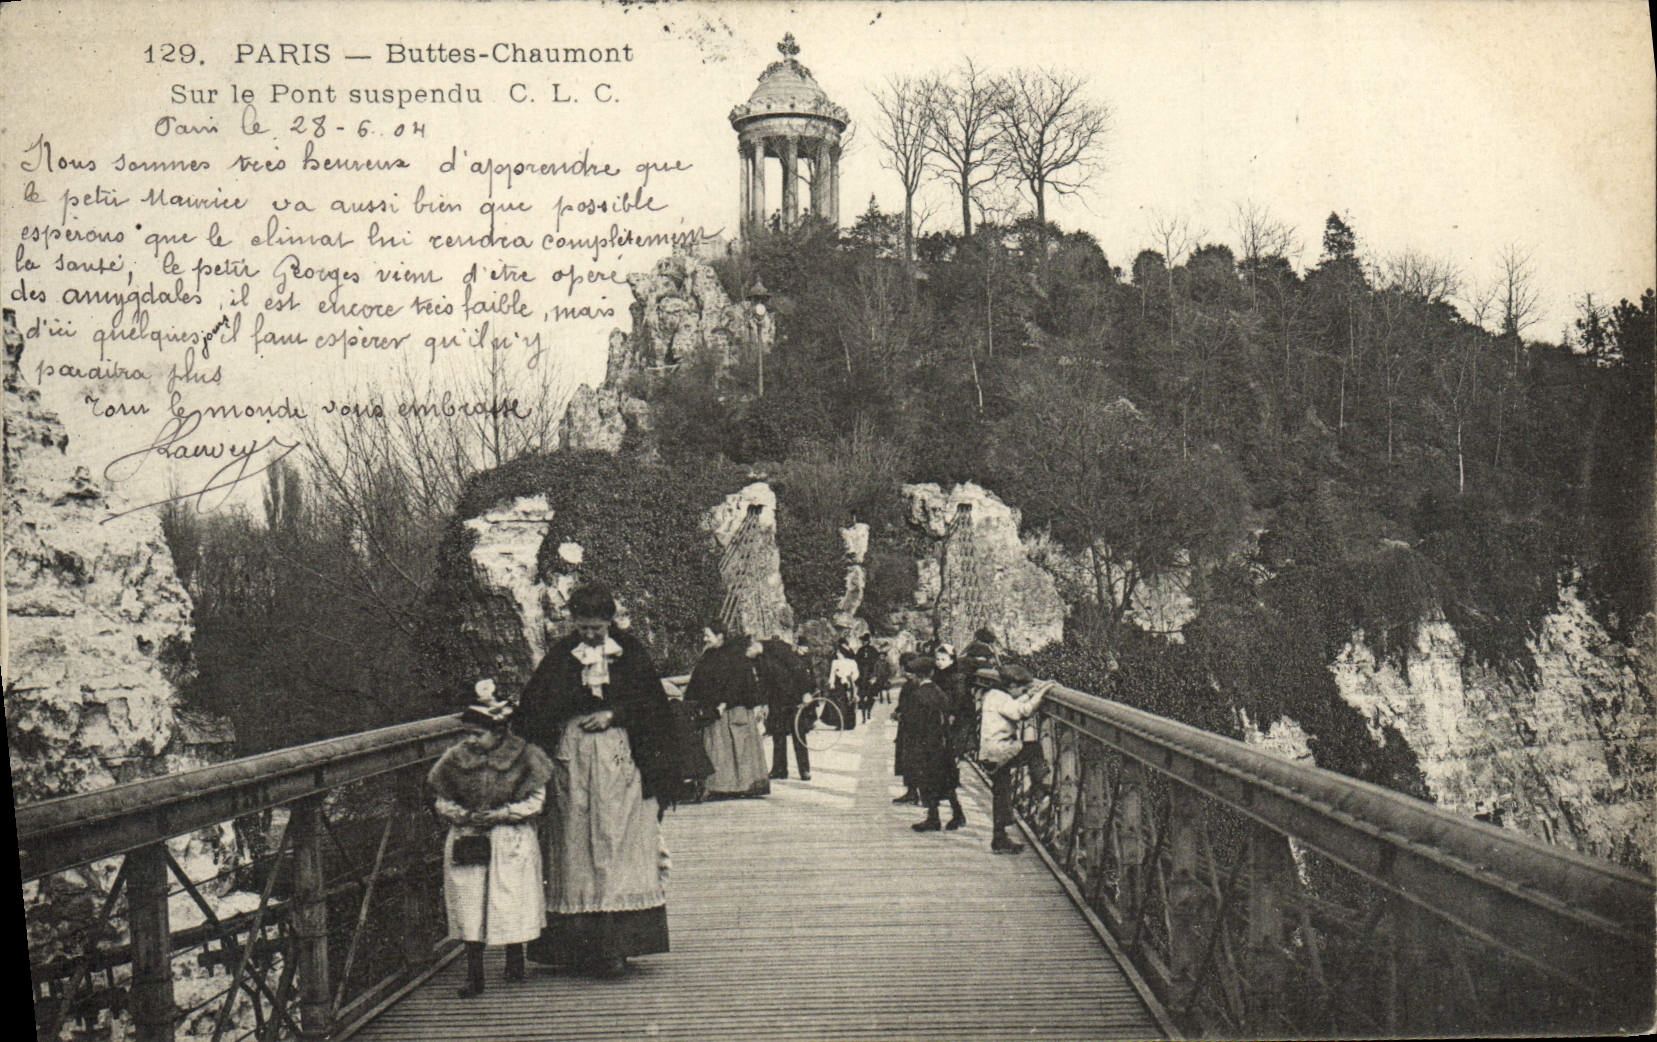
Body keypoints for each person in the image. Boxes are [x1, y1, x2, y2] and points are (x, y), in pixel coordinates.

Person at [513, 583, 683, 977]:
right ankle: (577, 947)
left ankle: (619, 946)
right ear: (573, 622)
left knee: (618, 841)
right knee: (575, 843)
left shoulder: (631, 652)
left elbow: (653, 705)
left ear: (610, 621)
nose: (590, 634)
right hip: (572, 763)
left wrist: (614, 713)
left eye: (597, 627)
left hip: (622, 761)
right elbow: (534, 707)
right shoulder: (560, 656)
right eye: (584, 627)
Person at [428, 681, 553, 997]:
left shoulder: (526, 757)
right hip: (469, 836)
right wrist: (461, 814)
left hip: (508, 838)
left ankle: (514, 956)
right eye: (467, 733)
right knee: (470, 902)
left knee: (509, 897)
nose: (470, 740)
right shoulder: (454, 760)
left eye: (477, 734)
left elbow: (536, 800)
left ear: (498, 732)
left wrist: (505, 813)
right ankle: (474, 973)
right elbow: (440, 799)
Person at [684, 621, 770, 798]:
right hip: (713, 709)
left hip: (732, 709)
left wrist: (725, 702)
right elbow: (697, 680)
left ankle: (741, 786)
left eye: (708, 635)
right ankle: (722, 786)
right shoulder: (708, 655)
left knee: (737, 748)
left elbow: (740, 682)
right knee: (720, 749)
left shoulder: (736, 656)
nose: (705, 638)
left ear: (720, 636)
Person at [979, 663, 1055, 854]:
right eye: (1022, 688)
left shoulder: (994, 695)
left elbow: (1016, 702)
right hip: (1001, 751)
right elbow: (1022, 711)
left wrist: (1029, 693)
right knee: (1033, 748)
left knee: (1001, 792)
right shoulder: (1001, 698)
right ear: (1012, 685)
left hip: (990, 753)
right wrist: (1041, 693)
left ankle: (999, 838)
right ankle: (1041, 787)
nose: (1023, 691)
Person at [901, 655, 967, 832]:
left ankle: (934, 817)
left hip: (924, 744)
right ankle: (957, 813)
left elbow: (912, 723)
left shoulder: (918, 695)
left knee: (927, 779)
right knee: (945, 780)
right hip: (942, 743)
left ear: (917, 676)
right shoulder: (939, 692)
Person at [758, 634, 814, 781]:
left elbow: (800, 670)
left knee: (796, 733)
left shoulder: (781, 652)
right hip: (777, 699)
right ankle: (781, 769)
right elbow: (764, 682)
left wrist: (806, 692)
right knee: (779, 734)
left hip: (792, 698)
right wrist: (764, 703)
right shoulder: (762, 658)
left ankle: (802, 769)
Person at [890, 654, 922, 806]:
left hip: (910, 727)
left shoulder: (912, 685)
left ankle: (913, 793)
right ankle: (913, 792)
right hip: (912, 726)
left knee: (910, 758)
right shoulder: (914, 683)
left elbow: (910, 706)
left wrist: (900, 713)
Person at [824, 634, 860, 731]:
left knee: (849, 702)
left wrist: (851, 679)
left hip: (848, 684)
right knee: (839, 704)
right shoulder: (835, 662)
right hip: (838, 684)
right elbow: (832, 673)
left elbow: (856, 673)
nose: (837, 654)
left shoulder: (851, 662)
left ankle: (849, 723)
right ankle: (840, 723)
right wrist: (831, 683)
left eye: (839, 653)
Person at [854, 634, 884, 723]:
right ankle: (864, 715)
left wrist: (874, 676)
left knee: (871, 696)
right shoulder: (860, 651)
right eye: (862, 641)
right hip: (862, 676)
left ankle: (869, 712)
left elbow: (876, 664)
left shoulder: (873, 650)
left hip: (870, 676)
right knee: (862, 696)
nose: (863, 643)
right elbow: (856, 662)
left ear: (868, 641)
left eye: (864, 641)